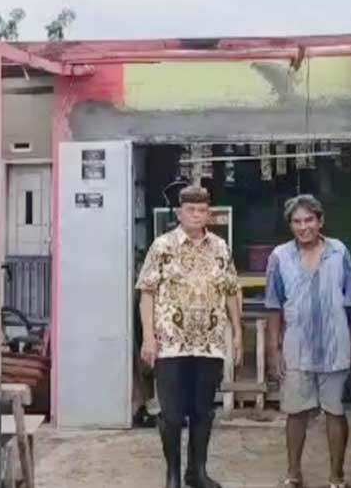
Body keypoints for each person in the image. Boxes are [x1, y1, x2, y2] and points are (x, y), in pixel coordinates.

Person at [137, 185, 243, 488]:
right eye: (191, 210)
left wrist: (237, 333)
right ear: (179, 213)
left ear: (209, 214)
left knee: (203, 412)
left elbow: (231, 291)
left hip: (209, 344)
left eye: (202, 210)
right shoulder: (162, 246)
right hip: (170, 343)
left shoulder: (220, 247)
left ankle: (197, 472)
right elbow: (146, 292)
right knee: (172, 414)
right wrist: (148, 337)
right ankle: (172, 475)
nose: (197, 215)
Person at [265, 194, 351, 488]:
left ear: (321, 221)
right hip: (296, 347)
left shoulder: (338, 251)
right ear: (290, 226)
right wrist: (273, 350)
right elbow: (273, 306)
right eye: (297, 221)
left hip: (335, 344)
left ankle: (336, 476)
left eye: (309, 220)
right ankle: (293, 474)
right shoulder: (279, 256)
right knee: (296, 413)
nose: (303, 226)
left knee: (335, 411)